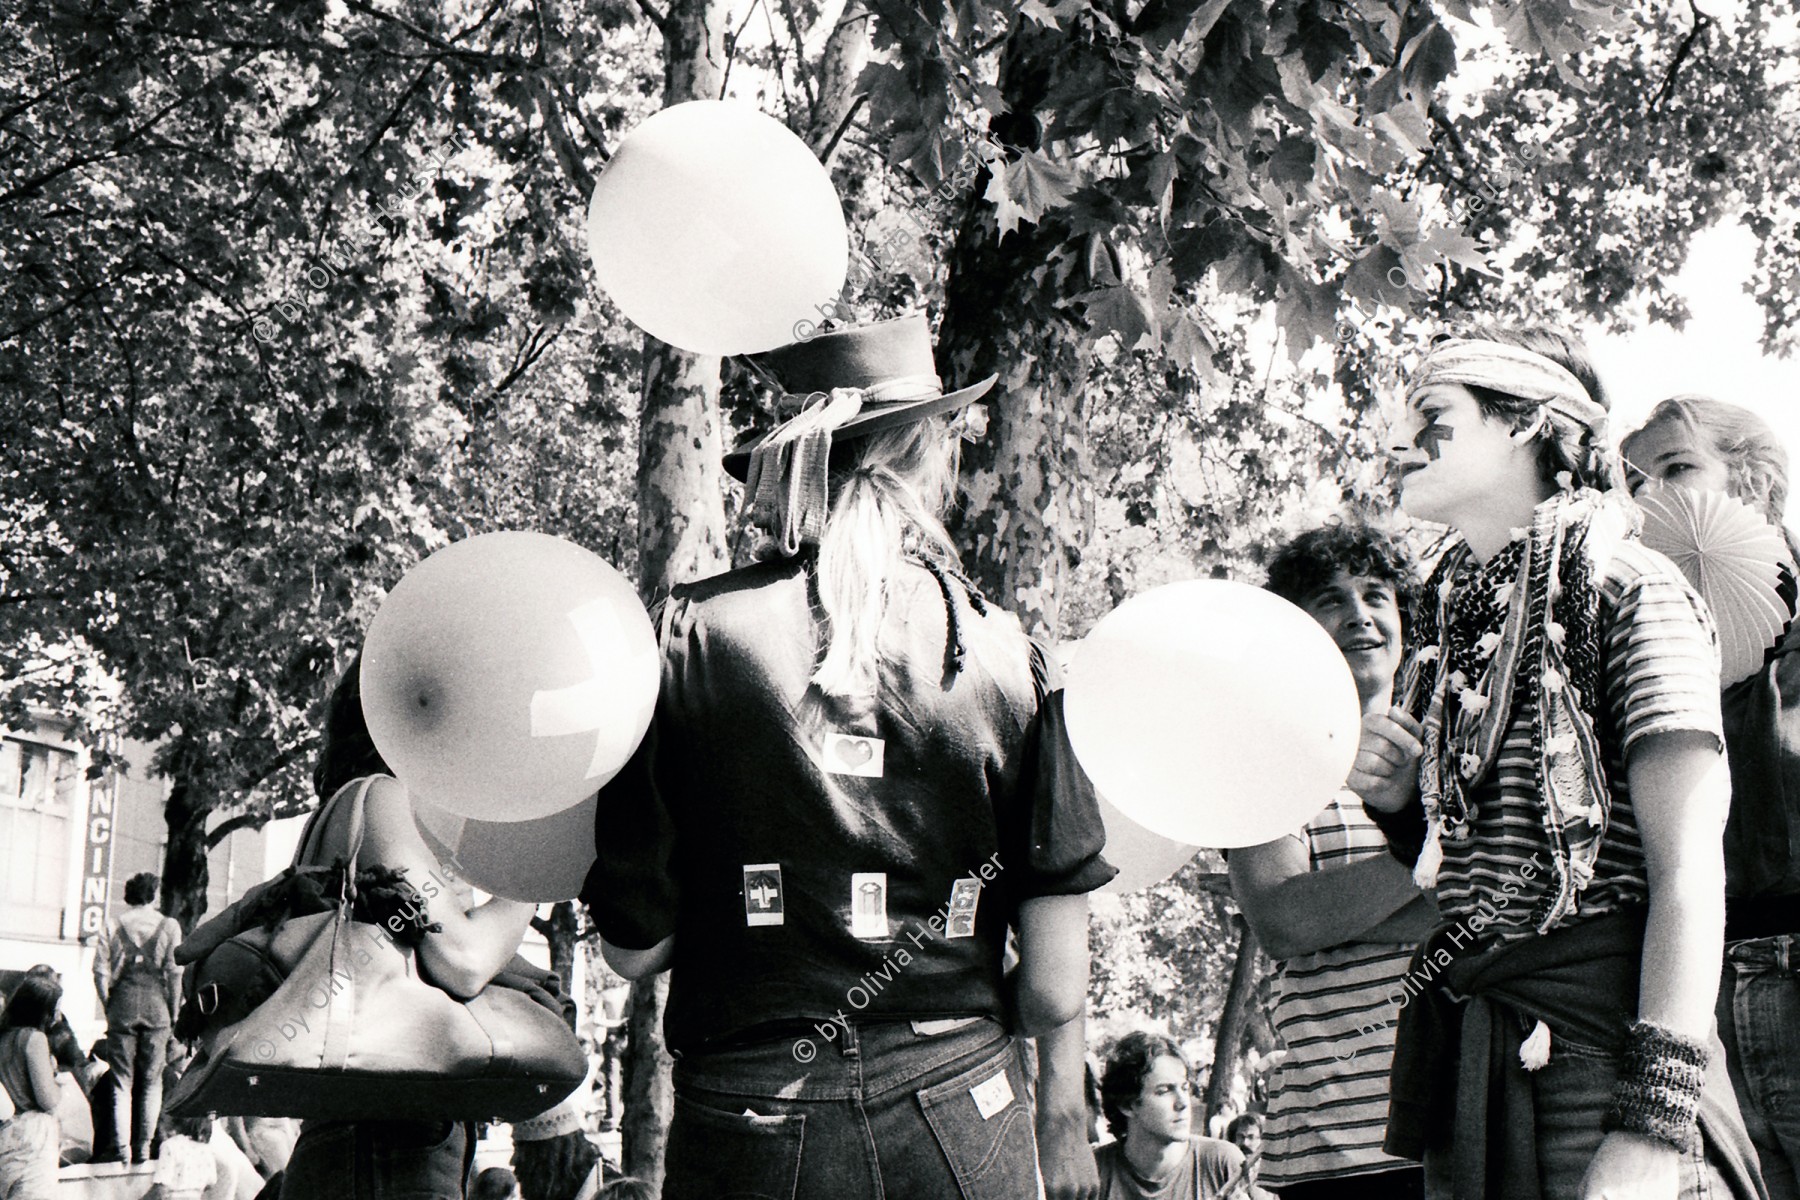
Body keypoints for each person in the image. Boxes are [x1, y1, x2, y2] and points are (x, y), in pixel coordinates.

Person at [582, 314, 1115, 1200]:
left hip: (752, 1104)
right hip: (961, 1097)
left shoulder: (687, 634)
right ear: (927, 454)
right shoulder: (1012, 657)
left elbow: (634, 951)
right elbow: (1057, 989)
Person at [1367, 329, 1763, 1198]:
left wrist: (1655, 1124)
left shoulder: (1636, 587)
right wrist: (1403, 808)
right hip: (1487, 1059)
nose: (1396, 444)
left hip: (1607, 1061)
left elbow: (1690, 873)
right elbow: (1475, 874)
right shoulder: (1449, 627)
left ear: (1526, 425)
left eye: (1431, 415)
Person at [270, 659, 538, 1199]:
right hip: (385, 1146)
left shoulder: (346, 806)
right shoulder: (379, 797)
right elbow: (462, 960)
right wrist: (533, 872)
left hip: (366, 1139)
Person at [1623, 395, 1800, 1199]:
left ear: (1757, 487)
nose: (1652, 499)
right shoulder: (1646, 655)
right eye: (1635, 487)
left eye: (1678, 468)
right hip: (1707, 1005)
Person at [1229, 521, 1435, 1198]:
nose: (1360, 615)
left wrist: (1340, 908)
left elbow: (1506, 898)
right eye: (1330, 600)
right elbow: (1283, 920)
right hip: (1329, 1144)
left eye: (1377, 594)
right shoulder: (1268, 759)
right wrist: (1426, 858)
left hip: (1457, 1123)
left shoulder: (1455, 744)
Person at [95, 870, 182, 1164]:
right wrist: (174, 1011)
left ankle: (122, 1148)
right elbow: (174, 972)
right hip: (157, 1006)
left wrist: (108, 1003)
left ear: (129, 895)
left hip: (122, 1004)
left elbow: (99, 970)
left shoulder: (112, 925)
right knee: (152, 1080)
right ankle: (144, 1147)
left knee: (122, 1081)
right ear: (154, 895)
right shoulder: (169, 926)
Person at [1094, 1032, 1243, 1199]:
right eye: (1164, 1091)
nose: (1183, 1103)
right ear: (1127, 1105)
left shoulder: (1222, 1162)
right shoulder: (1093, 1172)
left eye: (1185, 1088)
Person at [0, 974, 65, 1200]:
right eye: (54, 1009)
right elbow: (47, 1099)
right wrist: (55, 1078)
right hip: (32, 1136)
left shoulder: (2, 1037)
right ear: (42, 1011)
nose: (57, 1017)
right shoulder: (34, 1038)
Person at [1222, 1113, 1277, 1200]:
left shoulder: (1271, 1172)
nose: (1245, 1143)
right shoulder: (1224, 1168)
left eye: (1251, 1137)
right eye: (1240, 1137)